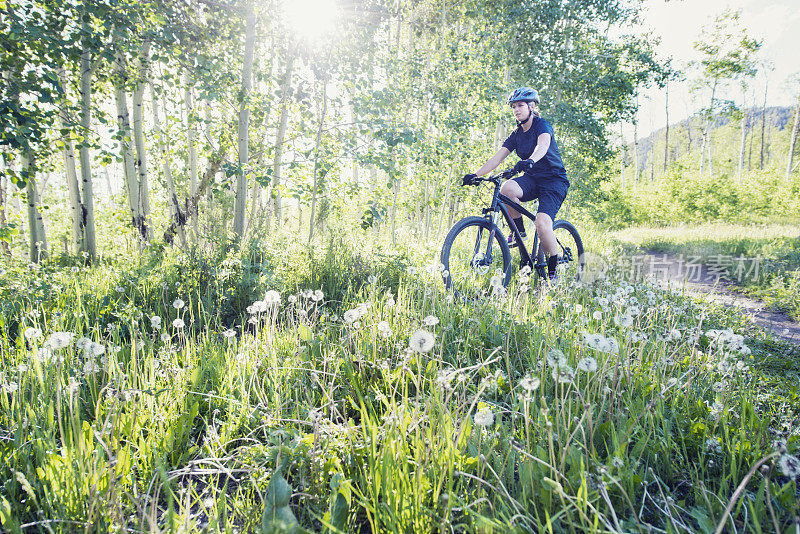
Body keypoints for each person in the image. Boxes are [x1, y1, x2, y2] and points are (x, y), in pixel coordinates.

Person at [461, 86, 570, 281]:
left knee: (542, 222)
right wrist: (475, 174)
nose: (516, 109)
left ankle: (553, 275)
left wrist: (531, 160)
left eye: (520, 105)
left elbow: (542, 145)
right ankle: (518, 231)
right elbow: (497, 158)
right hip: (533, 179)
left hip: (554, 180)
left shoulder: (541, 125)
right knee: (507, 188)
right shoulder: (516, 134)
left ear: (531, 106)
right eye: (513, 106)